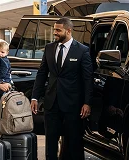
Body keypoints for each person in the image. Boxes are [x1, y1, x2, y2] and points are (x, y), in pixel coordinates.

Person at [30, 17, 93, 160]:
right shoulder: (49, 48)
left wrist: (87, 102)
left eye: (58, 30)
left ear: (68, 31)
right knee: (51, 142)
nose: (55, 33)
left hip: (73, 105)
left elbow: (87, 79)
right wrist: (35, 97)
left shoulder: (82, 51)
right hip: (51, 104)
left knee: (74, 143)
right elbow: (41, 74)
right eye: (54, 30)